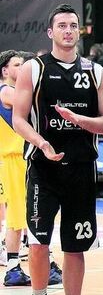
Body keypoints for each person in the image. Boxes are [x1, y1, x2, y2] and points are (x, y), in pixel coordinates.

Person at [13, 4, 103, 295]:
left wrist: (80, 120)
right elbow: (19, 118)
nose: (68, 30)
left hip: (81, 170)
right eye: (62, 25)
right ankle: (39, 292)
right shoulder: (35, 68)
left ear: (79, 31)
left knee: (75, 246)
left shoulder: (95, 71)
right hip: (43, 170)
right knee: (38, 241)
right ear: (50, 32)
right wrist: (41, 143)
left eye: (73, 25)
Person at [0, 50, 42, 287]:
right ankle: (13, 268)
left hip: (18, 159)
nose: (23, 67)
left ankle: (37, 260)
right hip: (14, 159)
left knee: (25, 214)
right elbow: (32, 105)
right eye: (17, 64)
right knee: (18, 216)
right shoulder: (7, 91)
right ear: (5, 71)